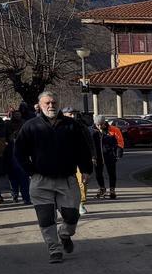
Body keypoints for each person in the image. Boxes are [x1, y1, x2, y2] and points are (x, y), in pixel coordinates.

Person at [13, 90, 93, 263]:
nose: (51, 106)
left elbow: (83, 149)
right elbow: (19, 152)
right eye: (47, 103)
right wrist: (31, 171)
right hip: (41, 181)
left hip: (67, 179)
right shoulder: (31, 126)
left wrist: (86, 169)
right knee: (46, 218)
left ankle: (64, 234)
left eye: (54, 103)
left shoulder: (71, 125)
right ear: (40, 105)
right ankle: (54, 249)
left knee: (72, 216)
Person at [90, 115, 125, 199]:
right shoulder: (92, 130)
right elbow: (89, 144)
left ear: (104, 123)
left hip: (110, 155)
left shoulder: (114, 129)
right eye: (97, 125)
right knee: (98, 173)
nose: (99, 126)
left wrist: (118, 153)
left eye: (101, 124)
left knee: (112, 173)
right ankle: (102, 188)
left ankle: (112, 190)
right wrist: (91, 156)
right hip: (97, 156)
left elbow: (120, 142)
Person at [6, 108, 31, 205]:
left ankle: (26, 198)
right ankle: (14, 194)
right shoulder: (8, 124)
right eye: (15, 114)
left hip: (22, 153)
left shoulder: (25, 123)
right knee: (13, 178)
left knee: (24, 178)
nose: (17, 116)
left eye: (19, 114)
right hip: (10, 153)